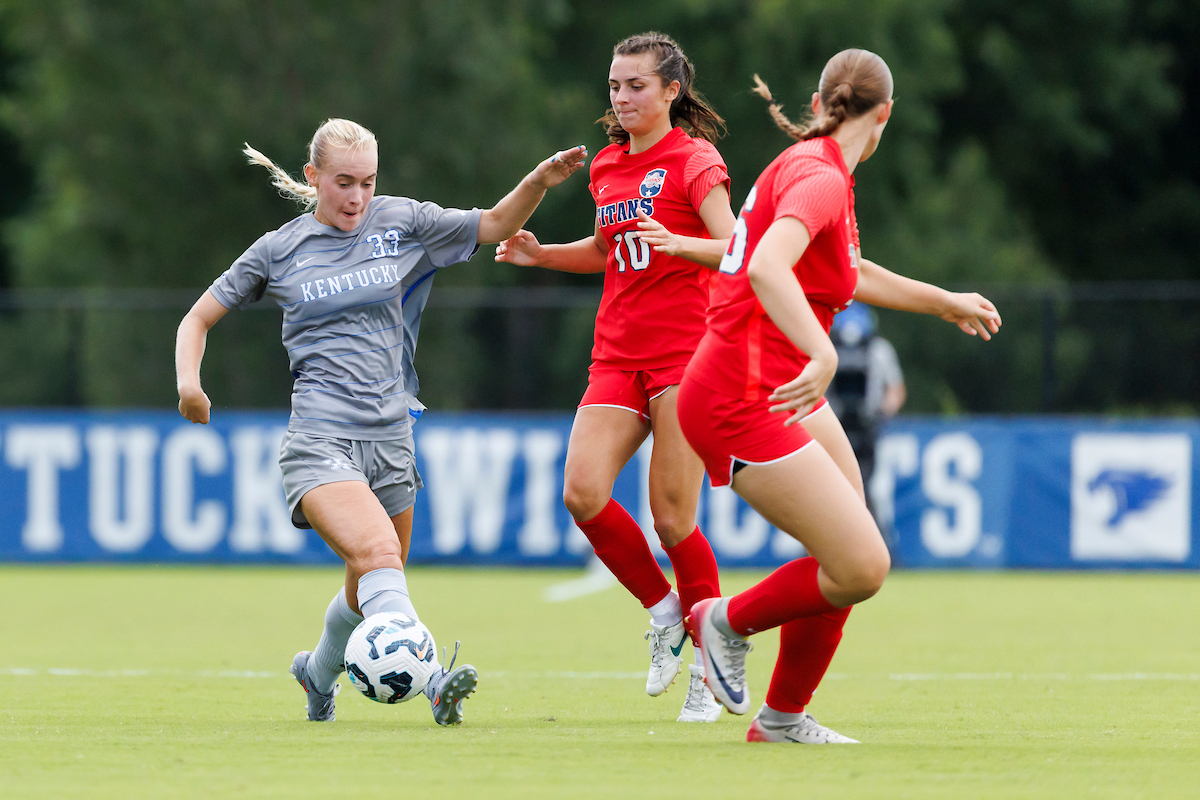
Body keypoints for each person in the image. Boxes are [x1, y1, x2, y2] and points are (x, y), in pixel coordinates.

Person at [174, 118, 586, 725]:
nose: (357, 197)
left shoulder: (400, 222)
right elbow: (196, 320)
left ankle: (316, 675)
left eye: (367, 182)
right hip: (320, 438)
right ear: (313, 177)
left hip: (392, 436)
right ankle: (435, 684)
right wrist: (190, 385)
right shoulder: (278, 250)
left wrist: (539, 181)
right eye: (343, 182)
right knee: (376, 553)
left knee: (367, 580)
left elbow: (495, 224)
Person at [673, 50, 1002, 743]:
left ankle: (782, 718)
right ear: (884, 114)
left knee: (847, 551)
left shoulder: (813, 169)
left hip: (764, 385)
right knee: (863, 565)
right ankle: (719, 622)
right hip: (742, 394)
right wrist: (824, 351)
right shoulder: (822, 178)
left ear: (820, 102)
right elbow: (767, 266)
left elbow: (846, 270)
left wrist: (940, 301)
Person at [494, 32, 737, 723]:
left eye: (636, 85)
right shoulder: (607, 166)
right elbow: (608, 251)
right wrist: (545, 257)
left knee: (673, 518)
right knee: (582, 492)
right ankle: (666, 614)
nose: (622, 97)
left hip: (686, 356)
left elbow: (738, 249)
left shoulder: (696, 161)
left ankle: (710, 669)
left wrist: (681, 243)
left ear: (670, 92)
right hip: (617, 354)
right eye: (614, 86)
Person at [826, 302, 906, 529]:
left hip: (866, 428)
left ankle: (872, 540)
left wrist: (882, 410)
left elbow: (895, 389)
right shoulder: (826, 349)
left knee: (866, 486)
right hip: (833, 426)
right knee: (827, 488)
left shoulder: (880, 351)